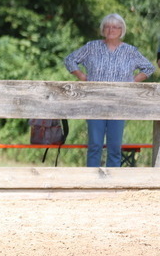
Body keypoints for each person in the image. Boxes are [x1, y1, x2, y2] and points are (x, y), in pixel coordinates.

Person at [64, 13, 154, 167]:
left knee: (114, 147)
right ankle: (91, 182)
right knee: (95, 145)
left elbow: (149, 67)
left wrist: (133, 81)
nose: (111, 30)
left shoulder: (130, 51)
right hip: (95, 102)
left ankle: (114, 183)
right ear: (102, 29)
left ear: (122, 30)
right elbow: (69, 60)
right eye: (107, 26)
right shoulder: (91, 47)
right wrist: (82, 77)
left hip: (119, 103)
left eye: (115, 27)